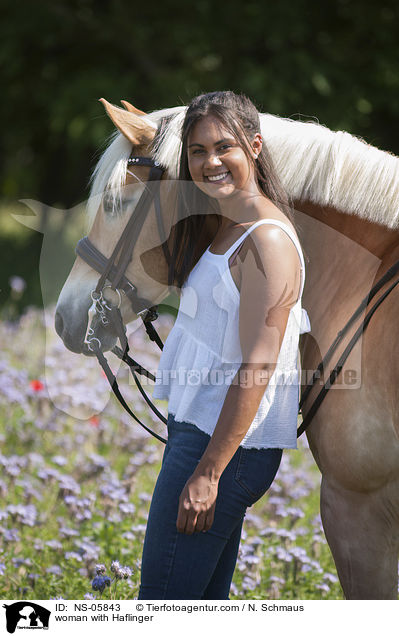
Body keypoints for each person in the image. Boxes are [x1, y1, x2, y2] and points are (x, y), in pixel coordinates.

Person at [138, 91, 310, 600]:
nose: (210, 161)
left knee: (161, 607)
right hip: (203, 435)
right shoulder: (226, 228)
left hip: (221, 449)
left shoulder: (266, 241)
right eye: (197, 151)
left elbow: (258, 365)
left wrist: (208, 472)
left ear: (254, 146)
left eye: (223, 147)